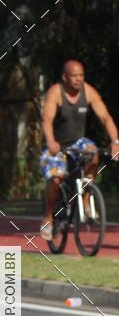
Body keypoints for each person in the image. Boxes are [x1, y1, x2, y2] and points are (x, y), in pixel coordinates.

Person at [39, 60, 119, 239]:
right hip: (57, 145)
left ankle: (86, 197)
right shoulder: (55, 92)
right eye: (74, 75)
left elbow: (105, 117)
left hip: (78, 143)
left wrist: (115, 141)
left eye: (81, 75)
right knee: (56, 178)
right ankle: (48, 217)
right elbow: (47, 120)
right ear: (65, 77)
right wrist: (51, 141)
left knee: (93, 151)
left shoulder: (88, 91)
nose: (78, 79)